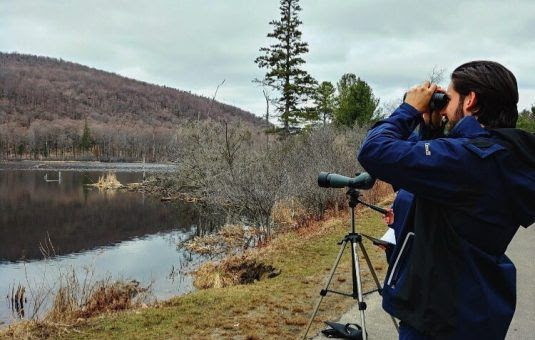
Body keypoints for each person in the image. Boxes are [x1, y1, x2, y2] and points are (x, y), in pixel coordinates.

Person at [357, 61, 535, 340]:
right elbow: (428, 183)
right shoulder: (504, 156)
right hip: (475, 306)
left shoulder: (470, 160)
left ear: (471, 100)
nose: (442, 104)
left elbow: (374, 151)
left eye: (448, 98)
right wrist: (429, 132)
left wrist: (409, 110)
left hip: (439, 315)